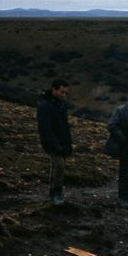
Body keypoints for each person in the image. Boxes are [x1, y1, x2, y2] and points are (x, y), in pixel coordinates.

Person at [36, 78, 72, 206]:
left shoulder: (61, 104)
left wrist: (68, 143)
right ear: (54, 89)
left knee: (57, 166)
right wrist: (55, 145)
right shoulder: (44, 105)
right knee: (59, 165)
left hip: (62, 141)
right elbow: (45, 129)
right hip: (51, 142)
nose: (64, 95)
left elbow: (65, 125)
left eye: (65, 93)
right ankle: (57, 193)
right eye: (62, 92)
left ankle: (53, 192)